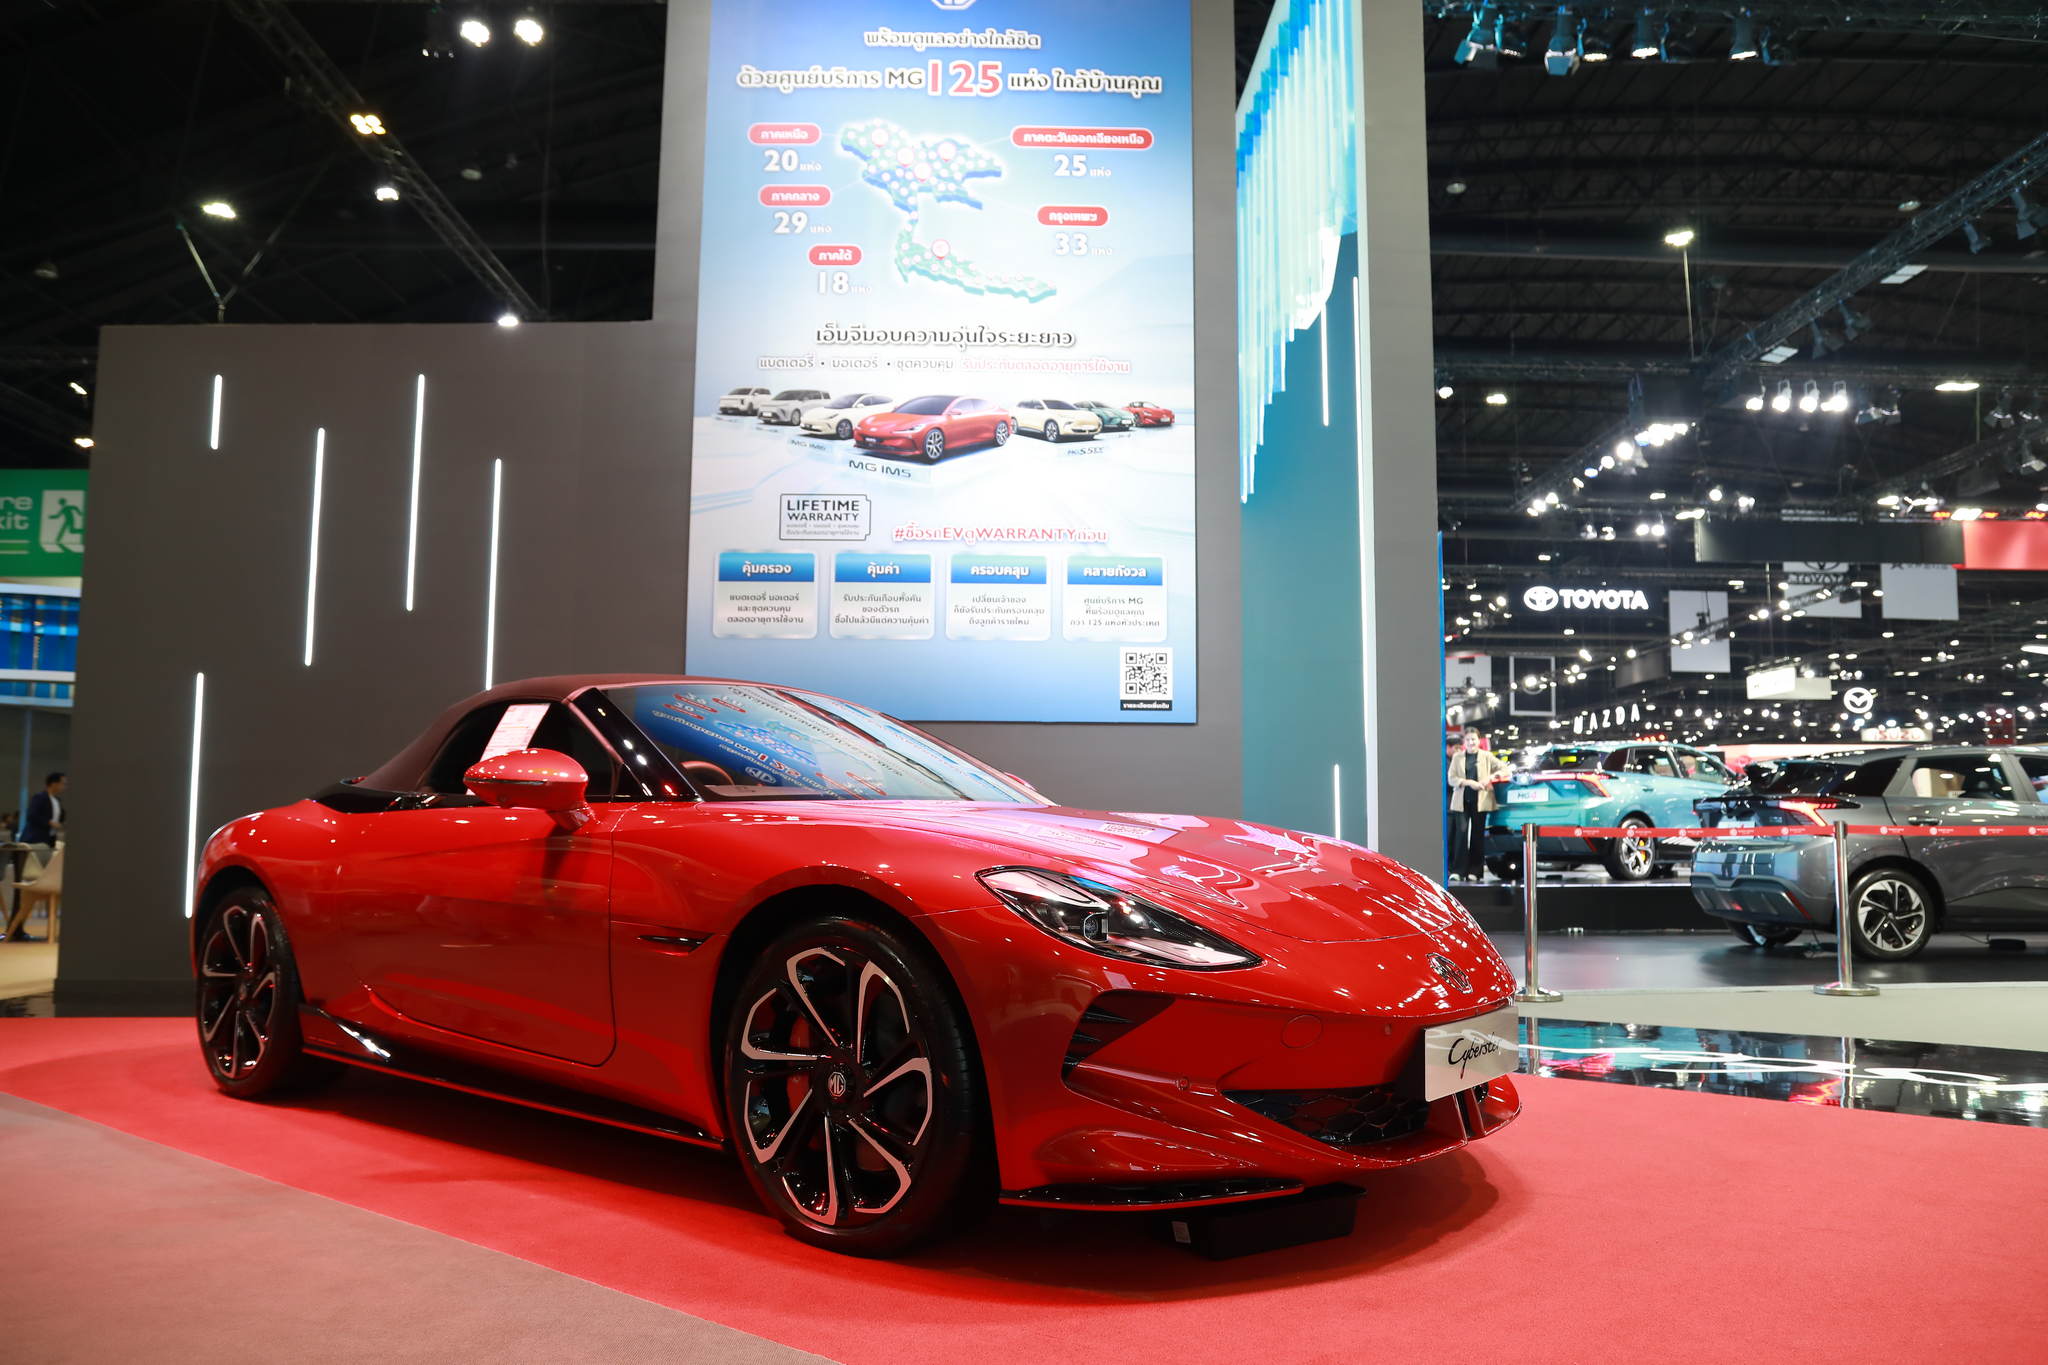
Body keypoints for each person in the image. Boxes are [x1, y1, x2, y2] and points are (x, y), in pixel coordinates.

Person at [1445, 730, 1504, 882]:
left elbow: (1504, 768)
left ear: (1479, 741)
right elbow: (1451, 779)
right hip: (1461, 801)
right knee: (1461, 836)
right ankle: (1458, 871)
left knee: (1477, 835)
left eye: (1473, 739)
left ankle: (1475, 871)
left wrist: (1490, 777)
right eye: (1468, 740)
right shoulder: (1458, 757)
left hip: (1481, 801)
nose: (1471, 742)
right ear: (1464, 742)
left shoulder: (1487, 756)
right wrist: (1469, 783)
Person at [20, 771, 65, 846]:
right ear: (54, 784)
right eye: (62, 784)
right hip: (35, 838)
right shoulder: (40, 797)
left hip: (49, 839)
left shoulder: (57, 800)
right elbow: (32, 815)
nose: (64, 787)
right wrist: (50, 823)